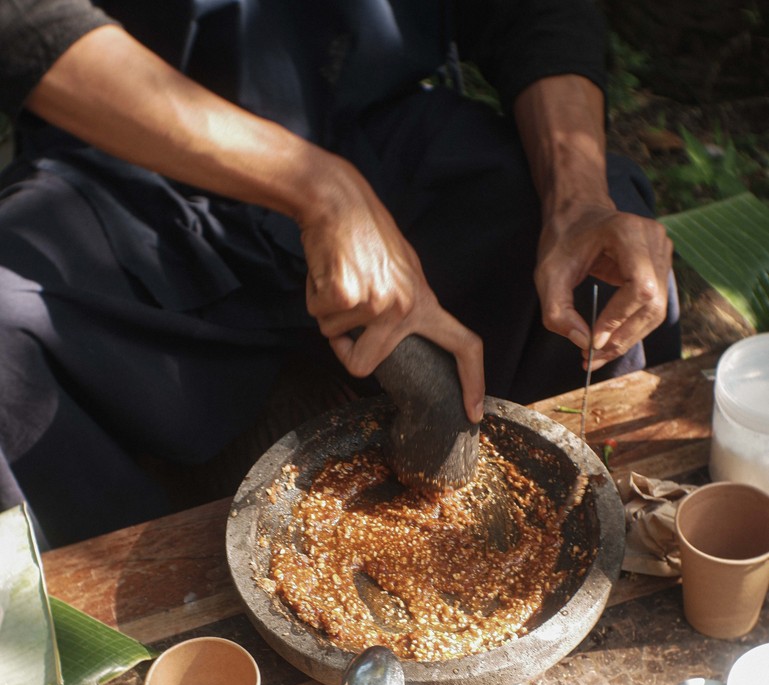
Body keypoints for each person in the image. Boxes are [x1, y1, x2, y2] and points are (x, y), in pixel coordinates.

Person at [0, 0, 679, 548]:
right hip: (134, 163)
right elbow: (30, 22)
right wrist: (318, 190)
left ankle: (592, 543)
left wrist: (577, 196)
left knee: (600, 265)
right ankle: (138, 649)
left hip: (378, 128)